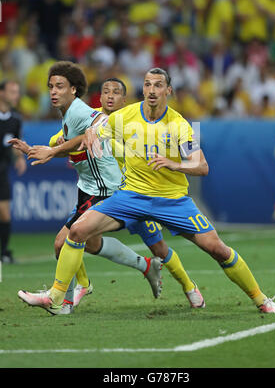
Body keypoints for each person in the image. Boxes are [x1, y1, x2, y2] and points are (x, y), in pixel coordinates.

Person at [18, 68, 275, 315]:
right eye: (147, 84)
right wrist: (88, 136)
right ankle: (55, 296)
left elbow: (202, 166)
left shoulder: (179, 125)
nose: (152, 89)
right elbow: (93, 130)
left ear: (168, 90)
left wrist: (172, 163)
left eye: (158, 85)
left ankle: (261, 300)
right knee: (77, 231)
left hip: (172, 201)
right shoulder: (125, 116)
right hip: (130, 197)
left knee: (217, 249)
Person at [13, 62, 201, 313]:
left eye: (116, 93)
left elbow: (96, 125)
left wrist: (57, 148)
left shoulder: (118, 122)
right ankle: (71, 295)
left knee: (158, 247)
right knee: (79, 241)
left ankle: (189, 287)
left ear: (125, 100)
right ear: (99, 97)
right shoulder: (84, 120)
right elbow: (72, 141)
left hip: (126, 191)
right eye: (106, 92)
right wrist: (51, 148)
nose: (110, 96)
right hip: (110, 192)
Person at [0, 80, 26, 263]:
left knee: (5, 212)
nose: (16, 95)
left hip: (2, 170)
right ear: (1, 93)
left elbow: (16, 142)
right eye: (12, 91)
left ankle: (4, 253)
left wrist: (19, 158)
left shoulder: (15, 119)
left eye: (17, 92)